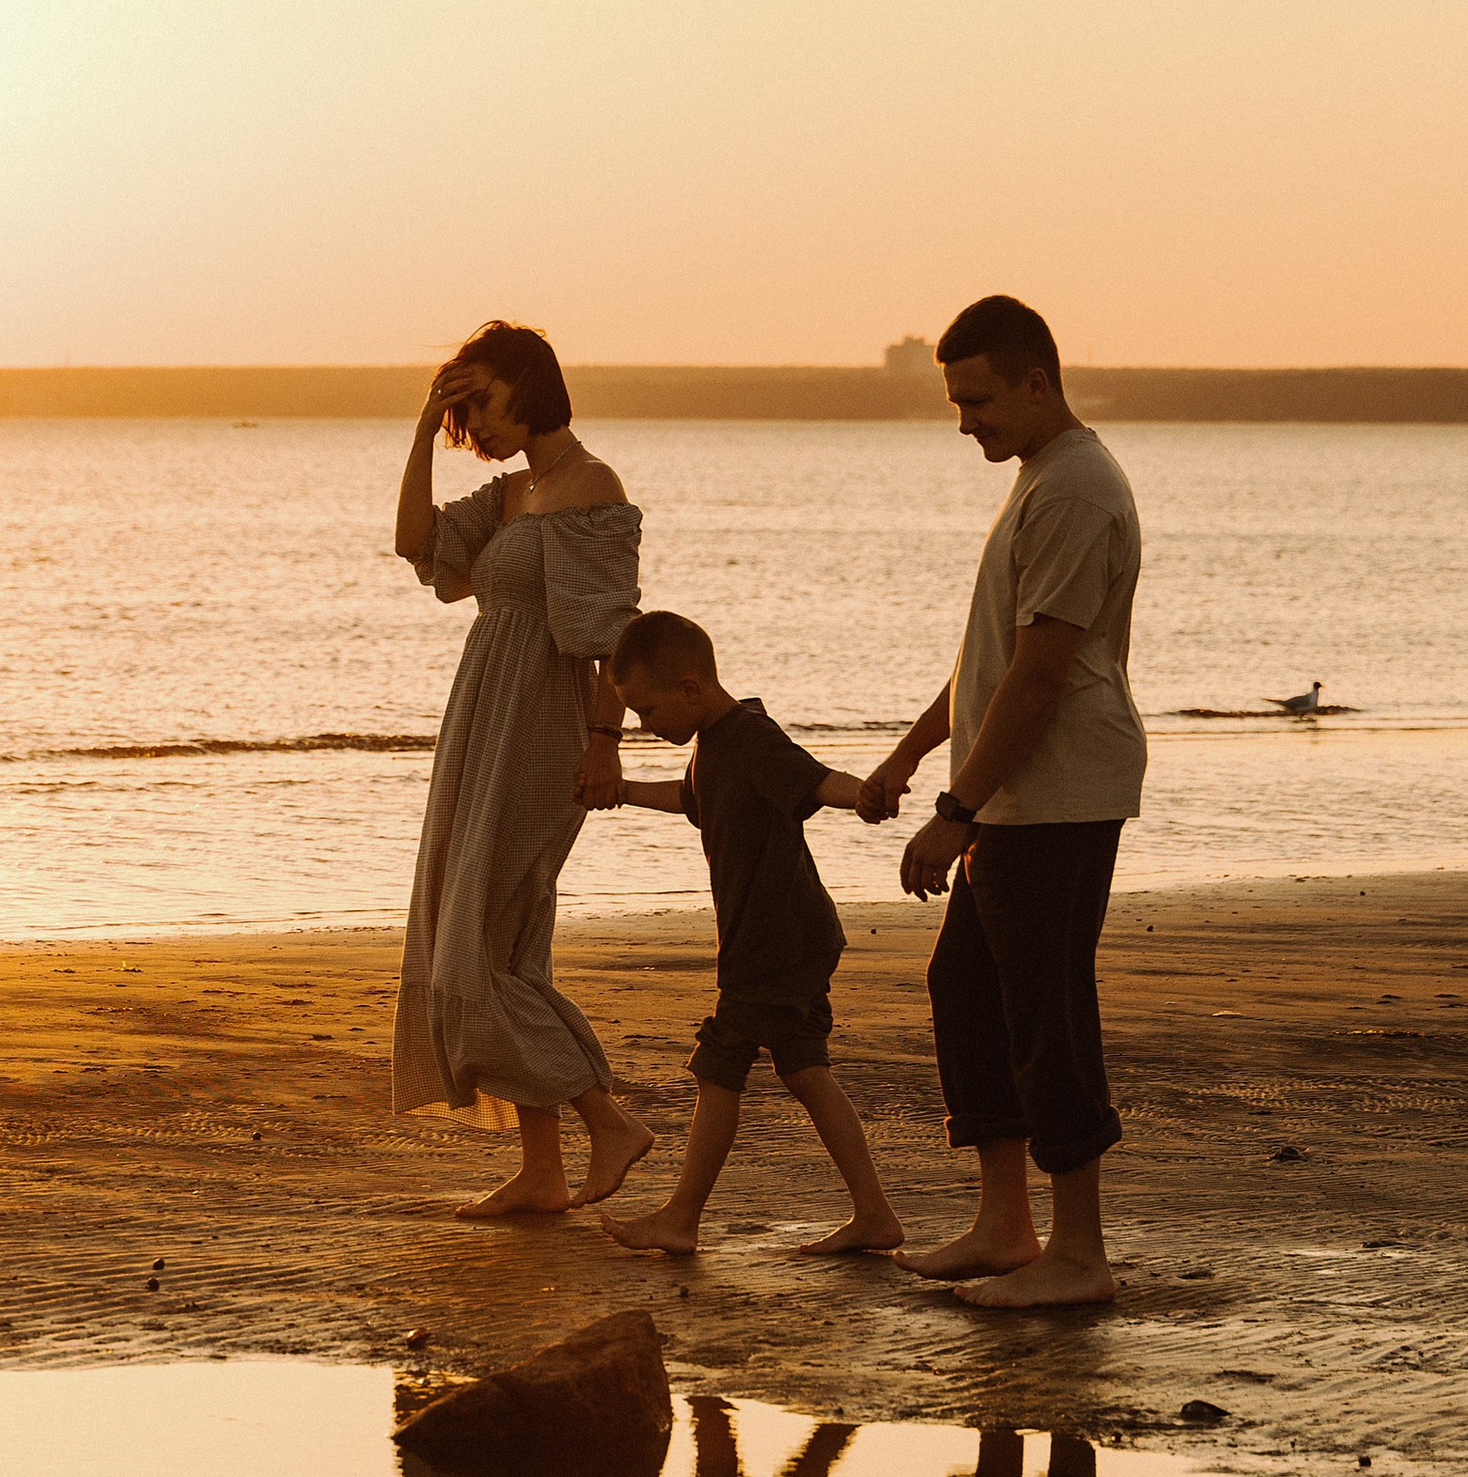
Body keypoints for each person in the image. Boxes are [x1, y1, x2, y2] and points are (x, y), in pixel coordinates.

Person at [858, 295, 1145, 1310]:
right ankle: (1004, 1223)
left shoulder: (1072, 491)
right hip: (1016, 795)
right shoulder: (1039, 482)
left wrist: (956, 808)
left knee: (1045, 1011)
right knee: (968, 991)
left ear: (1036, 381)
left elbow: (1039, 674)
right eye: (953, 401)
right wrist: (903, 759)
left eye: (977, 399)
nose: (963, 420)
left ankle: (1077, 1252)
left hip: (1058, 794)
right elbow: (987, 663)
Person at [391, 321, 658, 1217]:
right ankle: (543, 1170)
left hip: (543, 727)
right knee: (494, 943)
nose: (481, 429)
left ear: (530, 385)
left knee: (474, 957)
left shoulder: (591, 489)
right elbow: (414, 541)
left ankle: (607, 1121)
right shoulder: (511, 497)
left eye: (485, 405)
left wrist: (603, 744)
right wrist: (425, 428)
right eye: (466, 416)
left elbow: (611, 636)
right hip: (479, 723)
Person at [594, 609, 902, 1259]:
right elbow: (692, 801)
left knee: (720, 1064)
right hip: (780, 937)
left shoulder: (751, 737)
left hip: (776, 940)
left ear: (690, 689)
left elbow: (819, 781)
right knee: (805, 1068)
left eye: (648, 712)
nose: (647, 726)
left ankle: (681, 1217)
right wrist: (622, 790)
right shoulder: (712, 746)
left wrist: (867, 795)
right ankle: (874, 1215)